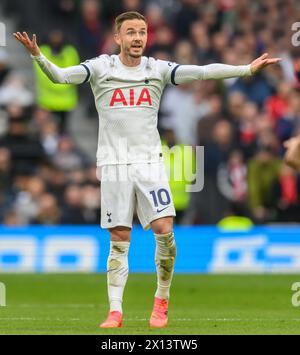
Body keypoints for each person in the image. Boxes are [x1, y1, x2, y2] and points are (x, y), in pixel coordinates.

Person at [14, 11, 281, 329]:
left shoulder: (157, 69)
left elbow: (202, 72)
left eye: (142, 31)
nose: (138, 37)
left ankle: (162, 300)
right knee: (119, 238)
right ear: (118, 38)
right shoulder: (101, 67)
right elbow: (60, 77)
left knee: (165, 231)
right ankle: (115, 311)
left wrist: (246, 69)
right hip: (114, 165)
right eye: (131, 32)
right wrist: (38, 56)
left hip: (149, 162)